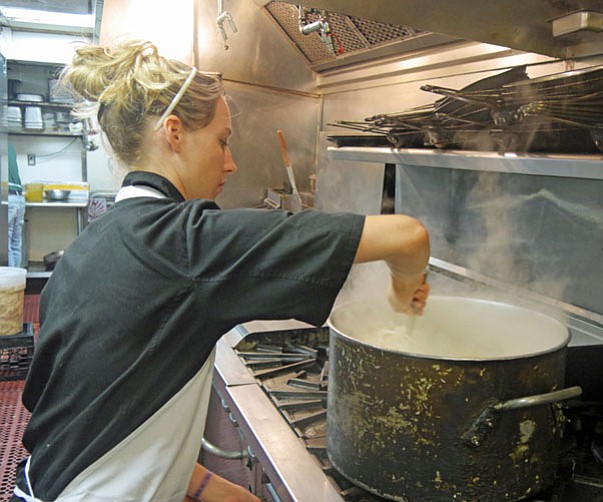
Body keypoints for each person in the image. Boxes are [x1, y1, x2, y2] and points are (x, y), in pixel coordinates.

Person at [12, 40, 430, 502]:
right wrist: (403, 290)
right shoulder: (184, 243)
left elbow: (96, 410)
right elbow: (409, 237)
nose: (230, 163)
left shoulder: (92, 244)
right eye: (222, 141)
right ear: (174, 133)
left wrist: (214, 489)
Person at [7, 143, 26, 268]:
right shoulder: (9, 147)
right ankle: (18, 283)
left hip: (7, 198)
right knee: (15, 243)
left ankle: (8, 285)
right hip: (19, 198)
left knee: (5, 244)